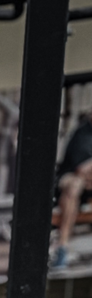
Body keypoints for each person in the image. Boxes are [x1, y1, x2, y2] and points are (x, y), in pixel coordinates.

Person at [53, 110, 92, 270]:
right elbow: (80, 169)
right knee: (74, 187)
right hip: (71, 179)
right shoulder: (81, 134)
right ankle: (62, 247)